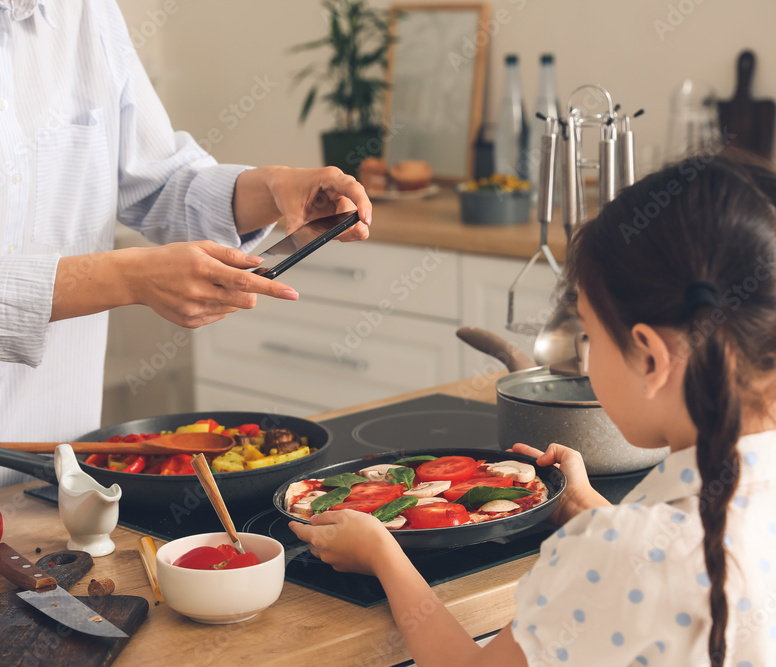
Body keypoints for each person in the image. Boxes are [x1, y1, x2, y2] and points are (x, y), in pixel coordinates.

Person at [0, 0, 372, 521]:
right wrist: (133, 276)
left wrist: (274, 188)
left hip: (37, 489)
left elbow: (159, 181)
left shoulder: (84, 10)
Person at [291, 152, 776, 667]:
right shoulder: (658, 538)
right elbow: (672, 564)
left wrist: (384, 554)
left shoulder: (620, 552)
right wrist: (587, 508)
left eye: (589, 333)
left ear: (651, 358)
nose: (585, 358)